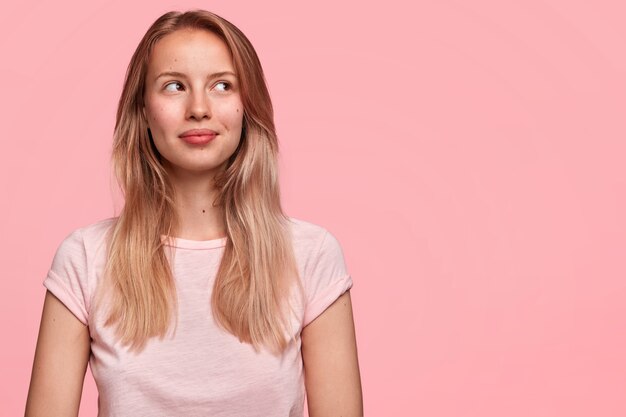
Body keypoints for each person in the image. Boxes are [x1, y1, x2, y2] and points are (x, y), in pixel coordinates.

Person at [25, 9, 363, 417]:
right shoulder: (84, 258)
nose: (199, 108)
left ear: (247, 106)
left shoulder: (311, 256)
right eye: (174, 86)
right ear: (144, 110)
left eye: (222, 85)